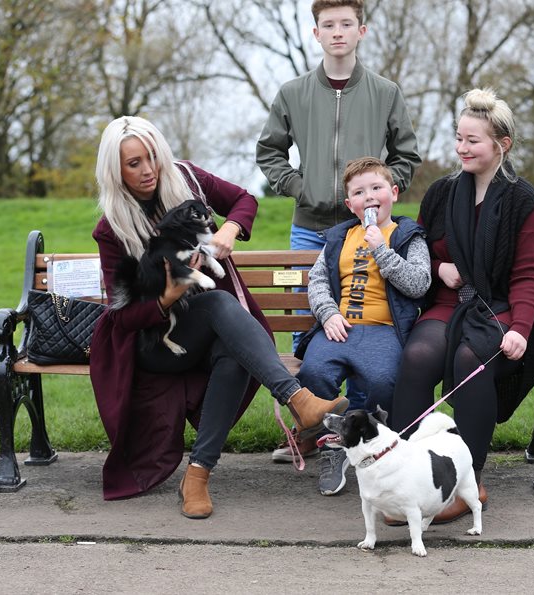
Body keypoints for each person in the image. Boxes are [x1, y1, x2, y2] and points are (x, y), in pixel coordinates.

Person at [90, 115, 348, 520]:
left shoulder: (187, 180)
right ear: (115, 170)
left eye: (152, 157)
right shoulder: (113, 228)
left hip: (209, 329)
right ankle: (300, 401)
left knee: (232, 349)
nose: (148, 170)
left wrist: (229, 229)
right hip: (156, 341)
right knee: (219, 306)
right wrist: (165, 297)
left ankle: (198, 474)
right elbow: (122, 318)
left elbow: (246, 200)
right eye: (133, 163)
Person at [256, 0, 422, 462]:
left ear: (361, 30)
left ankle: (361, 437)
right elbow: (269, 152)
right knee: (311, 329)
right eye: (328, 25)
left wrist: (379, 196)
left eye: (346, 24)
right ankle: (310, 432)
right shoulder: (292, 92)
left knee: (368, 325)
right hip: (310, 230)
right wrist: (299, 187)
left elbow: (406, 156)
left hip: (367, 230)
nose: (337, 32)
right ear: (316, 33)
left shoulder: (386, 92)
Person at [390, 88, 534, 524]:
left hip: (501, 308)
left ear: (503, 145)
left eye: (473, 140)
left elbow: (527, 276)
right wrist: (441, 268)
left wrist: (519, 327)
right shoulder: (442, 192)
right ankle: (403, 474)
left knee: (470, 357)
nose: (462, 147)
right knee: (419, 355)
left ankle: (468, 480)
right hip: (448, 301)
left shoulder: (525, 203)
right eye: (458, 138)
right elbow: (420, 249)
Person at [295, 157, 430, 495]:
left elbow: (419, 283)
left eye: (376, 188)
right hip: (339, 327)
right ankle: (332, 448)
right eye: (359, 192)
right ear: (350, 204)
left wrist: (382, 251)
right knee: (313, 373)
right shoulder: (340, 237)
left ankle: (374, 447)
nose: (369, 196)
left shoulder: (407, 235)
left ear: (393, 193)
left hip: (383, 330)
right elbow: (317, 281)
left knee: (384, 382)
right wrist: (328, 313)